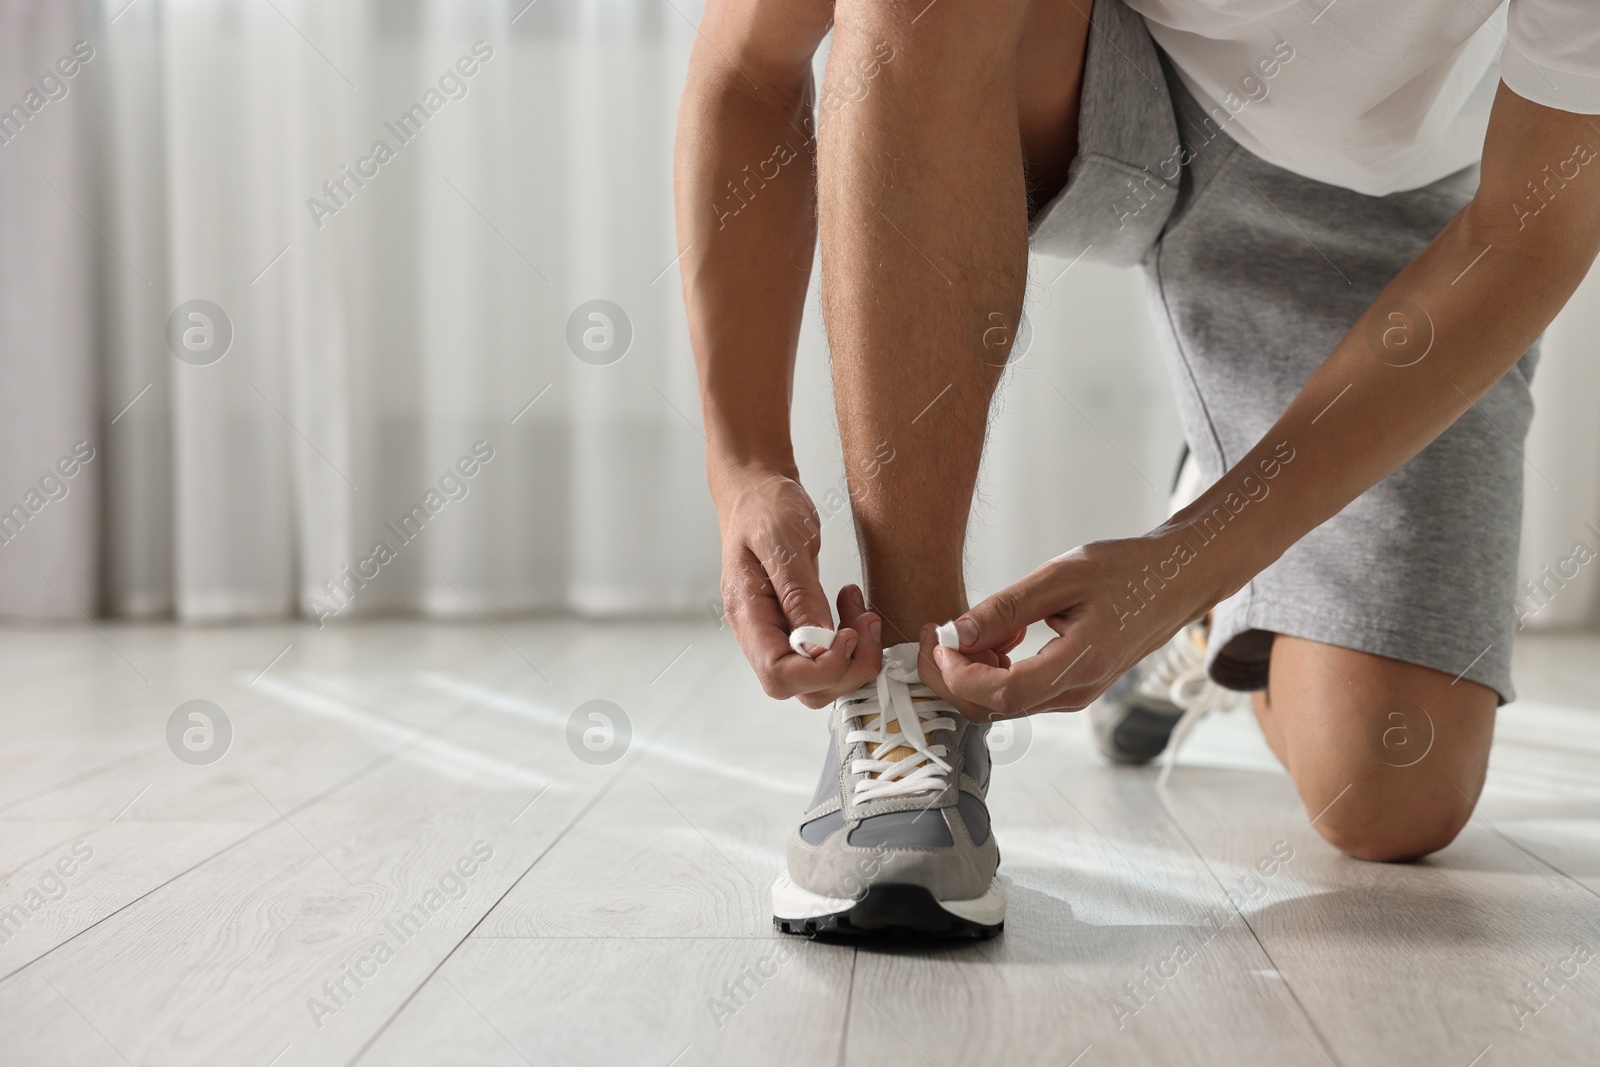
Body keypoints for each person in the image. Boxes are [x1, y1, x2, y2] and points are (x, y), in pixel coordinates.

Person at [673, 0, 1600, 937]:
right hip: (1108, 82)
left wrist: (1187, 562)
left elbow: (1533, 225)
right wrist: (743, 462)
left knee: (1392, 788)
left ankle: (1204, 602)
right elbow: (747, 66)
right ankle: (913, 693)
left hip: (1398, 197)